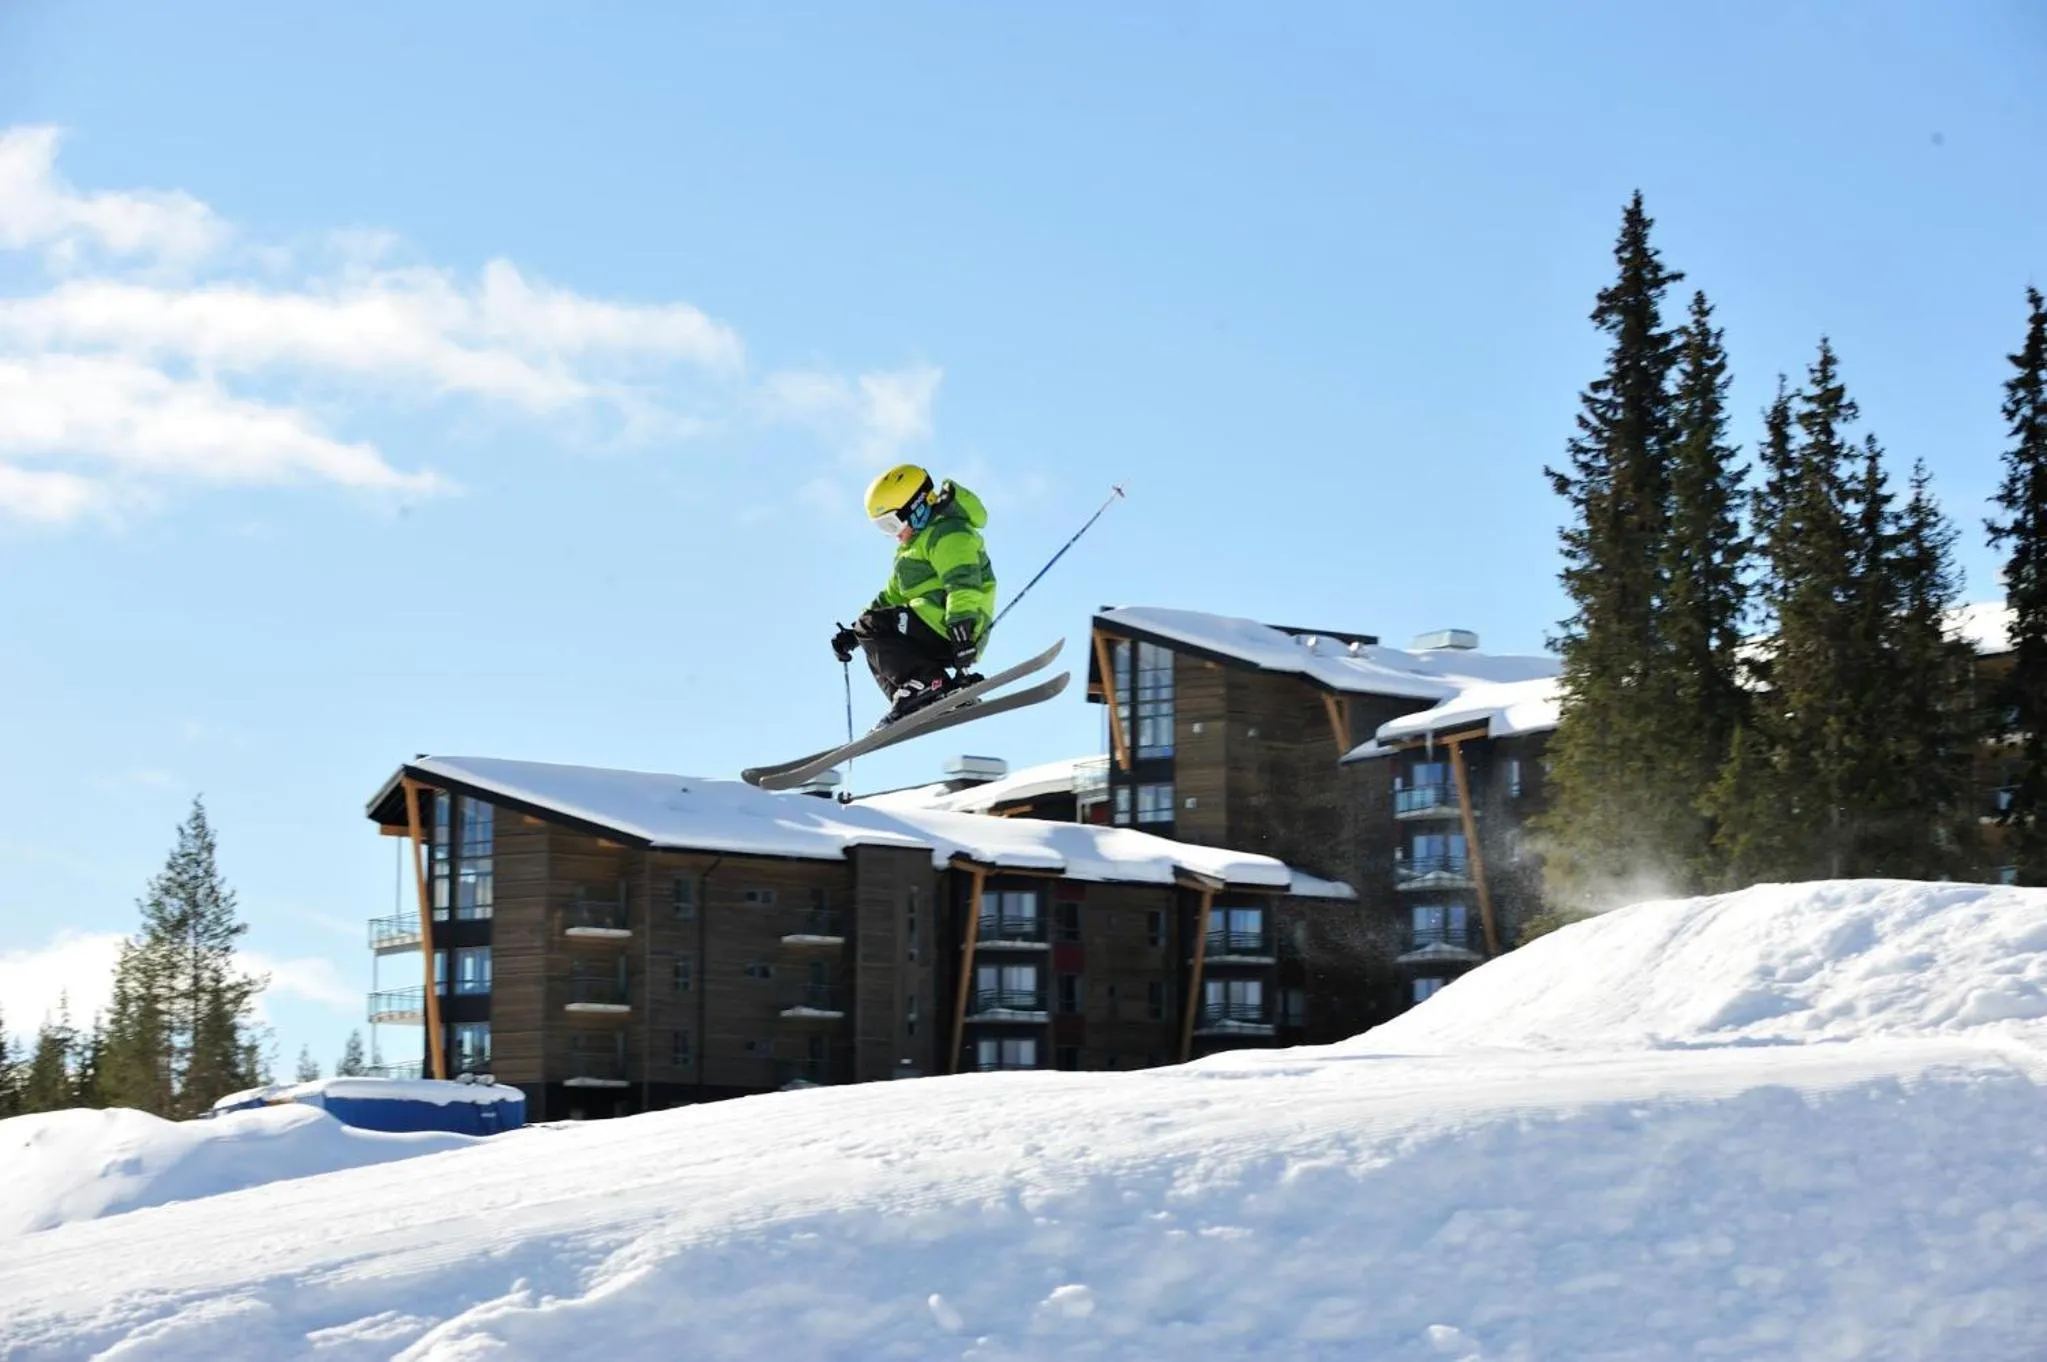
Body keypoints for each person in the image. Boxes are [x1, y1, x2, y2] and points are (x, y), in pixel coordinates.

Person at [832, 463, 998, 726]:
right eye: (883, 528)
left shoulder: (948, 533)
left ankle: (926, 685)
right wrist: (854, 634)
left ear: (917, 508)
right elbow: (891, 597)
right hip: (936, 627)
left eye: (892, 524)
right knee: (869, 633)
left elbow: (963, 582)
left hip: (955, 627)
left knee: (872, 626)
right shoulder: (911, 550)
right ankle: (915, 697)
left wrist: (961, 625)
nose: (894, 535)